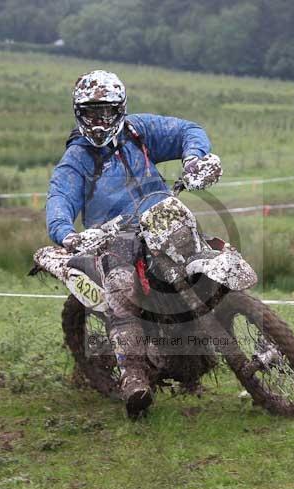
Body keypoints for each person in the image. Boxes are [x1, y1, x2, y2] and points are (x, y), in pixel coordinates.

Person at [45, 70, 222, 418]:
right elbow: (59, 198)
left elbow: (188, 130)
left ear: (120, 110)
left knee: (203, 255)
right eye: (90, 112)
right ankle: (134, 376)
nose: (99, 120)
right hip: (112, 236)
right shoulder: (76, 159)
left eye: (106, 112)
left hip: (159, 216)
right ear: (78, 114)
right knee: (123, 287)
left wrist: (193, 159)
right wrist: (67, 233)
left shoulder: (139, 132)